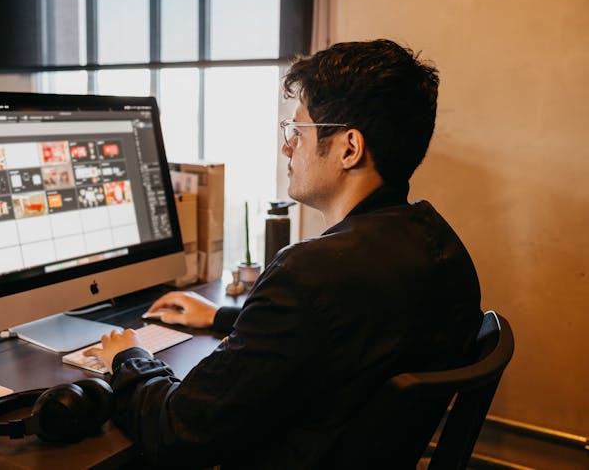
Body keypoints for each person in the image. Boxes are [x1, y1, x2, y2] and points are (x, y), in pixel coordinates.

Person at [86, 39, 483, 468]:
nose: (286, 148)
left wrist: (129, 358)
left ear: (349, 148)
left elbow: (179, 430)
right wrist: (220, 317)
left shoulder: (310, 273)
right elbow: (346, 333)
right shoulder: (439, 245)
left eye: (298, 131)